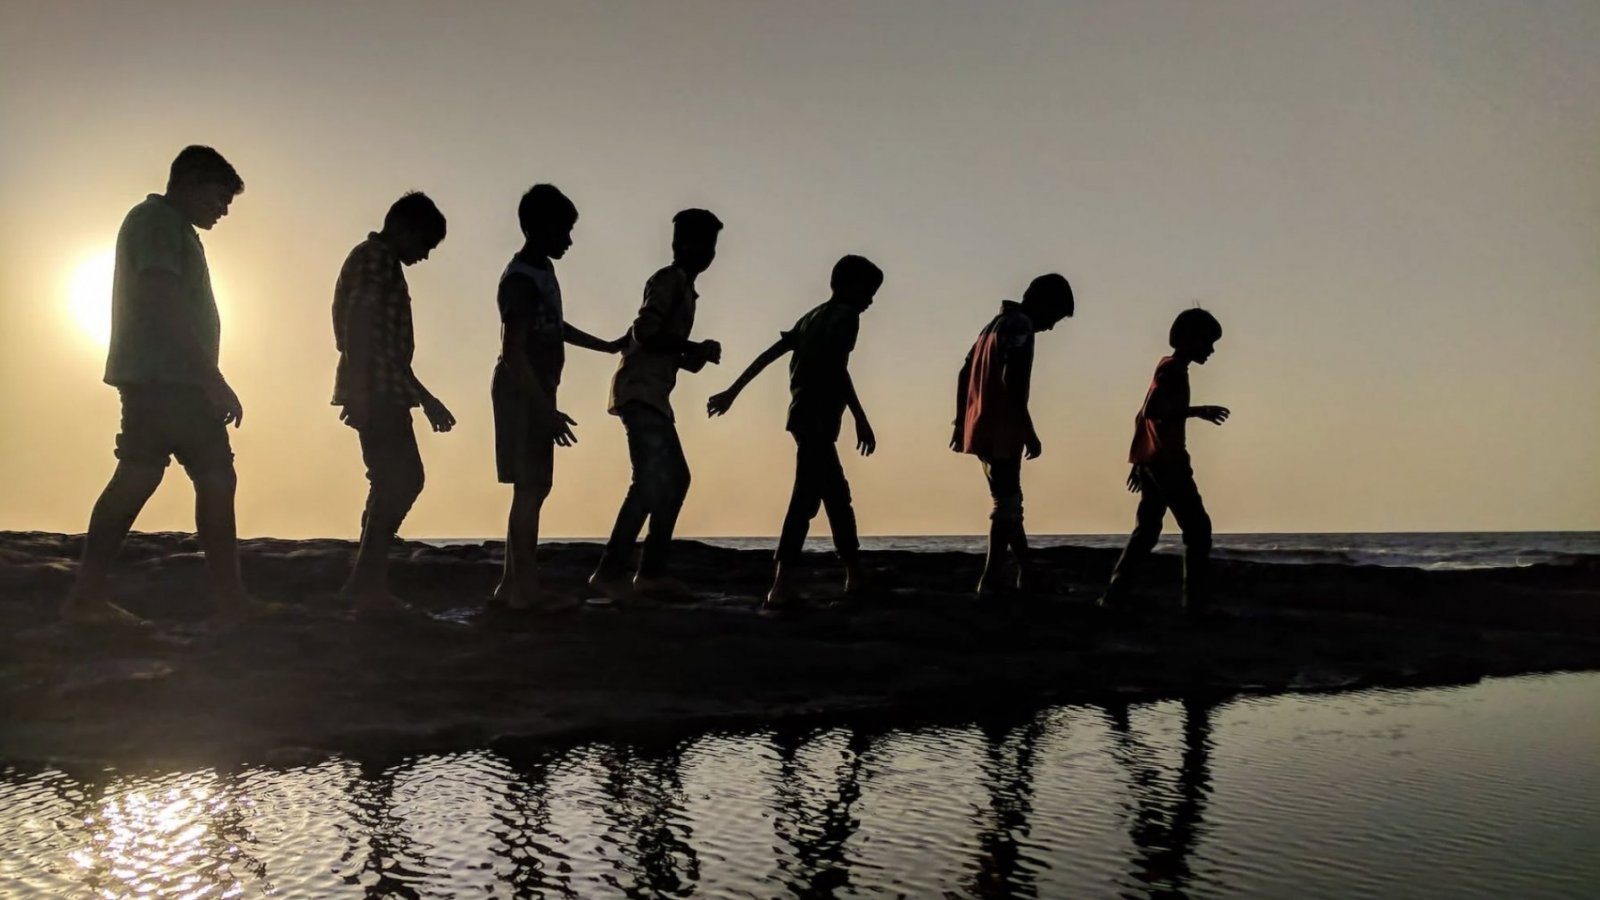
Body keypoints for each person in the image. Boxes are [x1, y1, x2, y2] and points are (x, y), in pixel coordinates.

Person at [61, 146, 252, 625]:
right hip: (168, 381)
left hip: (169, 379)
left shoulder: (171, 228)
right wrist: (213, 379)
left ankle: (90, 595)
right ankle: (228, 602)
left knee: (162, 475)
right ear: (190, 183)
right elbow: (161, 298)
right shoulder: (158, 222)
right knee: (183, 476)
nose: (223, 209)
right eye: (218, 196)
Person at [708, 255, 884, 608]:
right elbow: (837, 369)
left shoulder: (811, 317)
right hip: (817, 418)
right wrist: (860, 418)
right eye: (868, 291)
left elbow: (771, 353)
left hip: (803, 416)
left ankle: (853, 573)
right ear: (847, 285)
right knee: (808, 498)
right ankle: (783, 583)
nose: (871, 300)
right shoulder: (844, 317)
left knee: (835, 495)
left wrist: (733, 390)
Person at [490, 184, 626, 611]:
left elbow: (554, 326)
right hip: (521, 392)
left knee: (532, 488)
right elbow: (513, 350)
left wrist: (605, 345)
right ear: (538, 228)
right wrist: (543, 409)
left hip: (535, 391)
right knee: (530, 487)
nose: (569, 240)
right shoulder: (520, 279)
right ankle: (524, 589)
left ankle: (512, 585)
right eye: (563, 230)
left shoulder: (542, 273)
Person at [589, 210, 724, 603]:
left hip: (653, 394)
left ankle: (650, 572)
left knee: (674, 479)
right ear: (680, 245)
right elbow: (646, 332)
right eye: (702, 244)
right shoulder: (669, 280)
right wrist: (689, 347)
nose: (708, 253)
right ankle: (612, 572)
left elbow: (667, 348)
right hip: (640, 392)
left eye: (712, 246)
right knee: (649, 481)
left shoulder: (686, 289)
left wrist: (696, 355)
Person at [331, 192, 456, 617]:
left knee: (390, 479)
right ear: (404, 229)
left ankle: (366, 579)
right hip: (376, 390)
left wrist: (426, 398)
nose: (424, 256)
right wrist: (361, 393)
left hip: (386, 386)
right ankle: (364, 583)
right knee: (401, 479)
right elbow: (359, 328)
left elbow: (389, 350)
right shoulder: (376, 259)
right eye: (424, 245)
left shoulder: (380, 261)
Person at [1098, 308, 1230, 616]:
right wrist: (1198, 411)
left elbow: (1142, 414)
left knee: (1146, 530)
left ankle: (1115, 594)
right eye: (1207, 342)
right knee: (1198, 530)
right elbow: (1153, 411)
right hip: (1168, 462)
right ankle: (1194, 603)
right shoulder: (1172, 370)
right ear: (1190, 339)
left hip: (1154, 461)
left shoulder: (1168, 367)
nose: (1211, 350)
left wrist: (1138, 460)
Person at [951, 274, 1075, 598]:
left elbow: (965, 372)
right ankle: (991, 578)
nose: (1049, 327)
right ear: (1044, 304)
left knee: (1010, 501)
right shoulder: (1020, 326)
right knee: (1006, 504)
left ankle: (1027, 572)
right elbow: (1014, 381)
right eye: (1054, 318)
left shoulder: (992, 325)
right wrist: (1028, 429)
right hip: (1001, 425)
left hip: (979, 422)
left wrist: (959, 421)